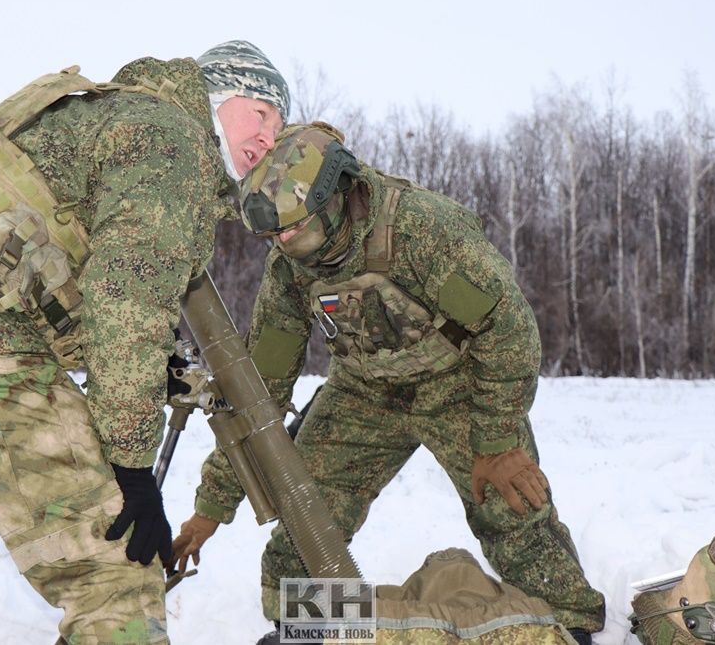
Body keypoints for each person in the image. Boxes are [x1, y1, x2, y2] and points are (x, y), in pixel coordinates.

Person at [0, 40, 288, 645]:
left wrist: (143, 363)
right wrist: (132, 468)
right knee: (113, 576)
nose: (269, 138)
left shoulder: (122, 115)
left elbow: (69, 272)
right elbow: (126, 300)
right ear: (218, 92)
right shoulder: (177, 141)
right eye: (263, 113)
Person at [170, 122, 606, 644]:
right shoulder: (290, 268)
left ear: (336, 197)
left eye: (292, 229)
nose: (282, 243)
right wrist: (212, 506)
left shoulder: (422, 231)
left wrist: (497, 441)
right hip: (364, 392)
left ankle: (568, 624)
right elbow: (259, 388)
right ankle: (318, 630)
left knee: (512, 507)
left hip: (457, 383)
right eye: (272, 235)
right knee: (305, 520)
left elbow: (509, 329)